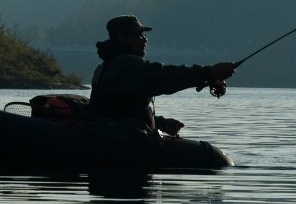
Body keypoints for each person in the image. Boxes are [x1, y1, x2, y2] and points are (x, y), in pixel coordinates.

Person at [90, 15, 236, 137]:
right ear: (121, 37)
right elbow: (165, 76)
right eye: (138, 35)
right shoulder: (125, 66)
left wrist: (160, 123)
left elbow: (118, 111)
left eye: (144, 34)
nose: (144, 40)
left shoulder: (108, 65)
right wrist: (209, 72)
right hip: (120, 146)